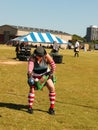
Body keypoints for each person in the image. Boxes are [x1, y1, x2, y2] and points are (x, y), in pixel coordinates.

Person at [27, 46, 56, 115]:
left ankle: (51, 108)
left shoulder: (46, 56)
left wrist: (51, 74)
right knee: (32, 89)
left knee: (52, 87)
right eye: (38, 56)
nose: (39, 57)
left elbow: (53, 65)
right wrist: (30, 77)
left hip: (45, 74)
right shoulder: (32, 58)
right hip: (35, 75)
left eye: (41, 56)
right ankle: (30, 107)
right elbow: (30, 69)